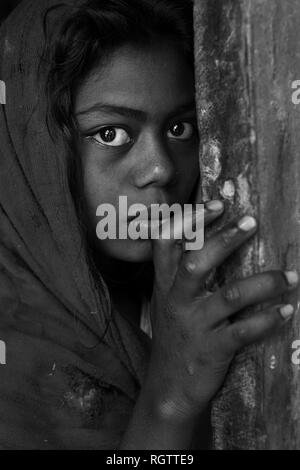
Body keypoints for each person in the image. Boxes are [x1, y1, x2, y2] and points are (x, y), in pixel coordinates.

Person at [0, 0, 298, 450]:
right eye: (111, 133)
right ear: (32, 149)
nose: (161, 169)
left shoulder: (183, 286)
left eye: (180, 128)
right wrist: (170, 398)